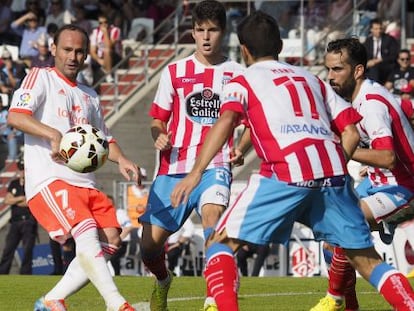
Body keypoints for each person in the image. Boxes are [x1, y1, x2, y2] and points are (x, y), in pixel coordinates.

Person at [170, 11, 414, 311]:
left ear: (244, 50)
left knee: (220, 244)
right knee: (367, 260)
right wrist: (335, 161)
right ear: (281, 46)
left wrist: (196, 173)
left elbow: (227, 120)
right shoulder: (312, 79)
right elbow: (350, 131)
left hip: (285, 172)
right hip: (332, 176)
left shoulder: (243, 79)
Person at [7, 24, 139, 311]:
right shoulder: (39, 77)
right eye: (67, 49)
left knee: (112, 238)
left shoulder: (89, 94)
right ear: (53, 49)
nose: (73, 56)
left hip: (85, 182)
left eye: (80, 51)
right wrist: (53, 135)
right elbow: (16, 117)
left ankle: (52, 299)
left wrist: (124, 159)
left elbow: (105, 140)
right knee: (87, 231)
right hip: (50, 179)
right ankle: (117, 304)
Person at [138, 1, 244, 310]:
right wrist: (159, 135)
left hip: (216, 165)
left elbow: (250, 123)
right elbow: (157, 119)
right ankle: (162, 280)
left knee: (213, 219)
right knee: (149, 246)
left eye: (213, 30)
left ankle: (215, 296)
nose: (206, 37)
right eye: (200, 30)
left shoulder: (237, 74)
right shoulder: (174, 71)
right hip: (174, 168)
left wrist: (242, 147)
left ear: (223, 32)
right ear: (192, 33)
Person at [310, 37, 414, 311]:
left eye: (338, 70)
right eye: (328, 69)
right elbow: (406, 111)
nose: (330, 77)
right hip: (379, 184)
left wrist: (347, 149)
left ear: (357, 70)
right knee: (331, 240)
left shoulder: (370, 103)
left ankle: (335, 299)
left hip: (404, 187)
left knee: (345, 223)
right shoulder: (358, 98)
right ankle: (349, 306)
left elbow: (388, 158)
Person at [0, 157, 38, 274]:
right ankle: (3, 273)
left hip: (28, 221)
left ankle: (25, 274)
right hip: (15, 222)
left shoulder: (33, 184)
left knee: (27, 250)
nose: (22, 171)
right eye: (21, 169)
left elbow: (31, 202)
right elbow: (7, 200)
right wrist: (21, 198)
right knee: (8, 249)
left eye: (24, 169)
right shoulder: (14, 183)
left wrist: (16, 200)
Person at [363, 17, 400, 84]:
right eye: (376, 29)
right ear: (371, 29)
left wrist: (378, 60)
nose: (379, 31)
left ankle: (375, 88)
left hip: (386, 65)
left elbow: (394, 55)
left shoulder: (389, 39)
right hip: (371, 67)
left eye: (380, 28)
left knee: (374, 69)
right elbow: (364, 55)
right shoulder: (368, 41)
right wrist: (367, 63)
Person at [89, 12, 122, 83]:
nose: (103, 25)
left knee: (107, 50)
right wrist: (99, 60)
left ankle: (108, 74)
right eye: (101, 23)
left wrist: (105, 33)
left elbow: (109, 46)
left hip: (114, 57)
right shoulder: (95, 31)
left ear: (109, 22)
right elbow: (92, 51)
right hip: (101, 58)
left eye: (105, 22)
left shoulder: (115, 30)